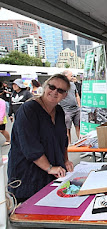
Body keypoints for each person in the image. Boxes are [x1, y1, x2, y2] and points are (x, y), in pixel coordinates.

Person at [7, 74, 74, 203]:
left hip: (53, 175)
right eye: (52, 87)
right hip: (28, 176)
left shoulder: (59, 111)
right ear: (45, 86)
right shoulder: (29, 109)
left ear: (65, 95)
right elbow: (30, 146)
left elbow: (63, 139)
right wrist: (49, 168)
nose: (55, 92)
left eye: (60, 90)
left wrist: (65, 160)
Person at [60, 70, 81, 144]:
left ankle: (80, 142)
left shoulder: (72, 85)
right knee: (67, 129)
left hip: (76, 109)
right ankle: (68, 144)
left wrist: (79, 106)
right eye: (71, 76)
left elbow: (76, 95)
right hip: (66, 110)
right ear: (65, 76)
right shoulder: (61, 86)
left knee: (78, 126)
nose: (72, 77)